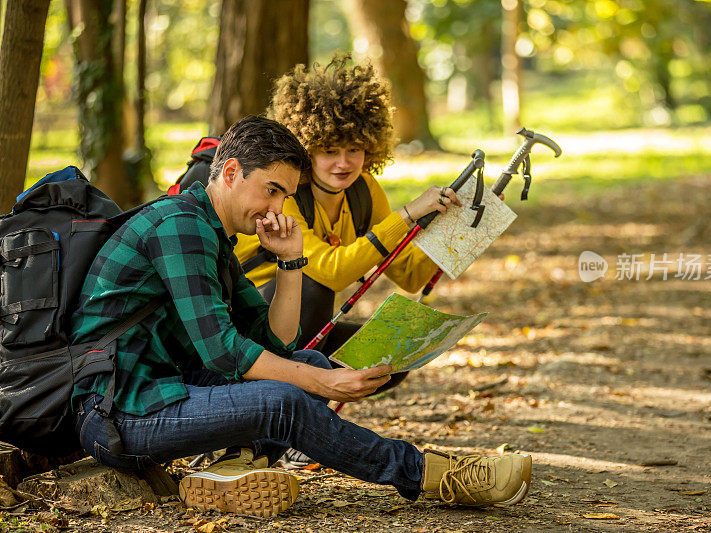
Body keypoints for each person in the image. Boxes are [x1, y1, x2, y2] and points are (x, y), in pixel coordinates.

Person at [70, 115, 532, 518]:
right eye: (271, 191)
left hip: (164, 390)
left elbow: (278, 342)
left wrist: (290, 262)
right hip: (120, 413)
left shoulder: (213, 232)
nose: (277, 208)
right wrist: (325, 386)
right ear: (230, 172)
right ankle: (431, 474)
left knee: (307, 367)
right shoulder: (180, 226)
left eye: (286, 196)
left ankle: (235, 469)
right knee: (288, 397)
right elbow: (224, 351)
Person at [234, 57, 460, 362]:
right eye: (329, 151)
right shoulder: (283, 194)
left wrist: (456, 232)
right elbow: (332, 273)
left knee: (390, 354)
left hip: (304, 328)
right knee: (313, 286)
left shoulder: (363, 191)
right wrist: (407, 215)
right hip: (244, 327)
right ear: (306, 148)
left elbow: (409, 276)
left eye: (354, 149)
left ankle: (311, 405)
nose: (344, 163)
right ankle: (291, 401)